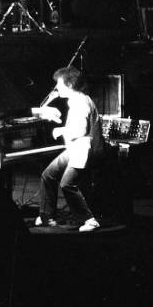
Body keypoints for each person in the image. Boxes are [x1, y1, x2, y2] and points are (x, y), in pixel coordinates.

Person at [33, 66, 103, 232]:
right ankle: (47, 216)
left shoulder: (80, 103)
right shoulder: (78, 100)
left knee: (67, 184)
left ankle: (90, 220)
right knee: (48, 175)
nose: (56, 88)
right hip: (76, 149)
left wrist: (61, 130)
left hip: (84, 150)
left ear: (70, 84)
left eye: (59, 84)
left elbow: (79, 131)